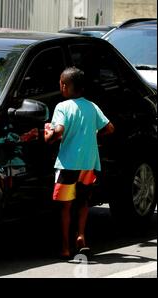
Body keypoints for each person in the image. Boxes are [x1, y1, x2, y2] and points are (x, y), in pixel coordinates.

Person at [44, 67, 115, 260]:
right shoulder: (92, 106)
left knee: (65, 207)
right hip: (89, 163)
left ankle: (66, 248)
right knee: (83, 202)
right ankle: (81, 236)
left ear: (64, 86)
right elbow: (109, 128)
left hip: (68, 163)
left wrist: (47, 135)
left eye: (60, 83)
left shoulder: (62, 107)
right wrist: (93, 135)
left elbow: (58, 131)